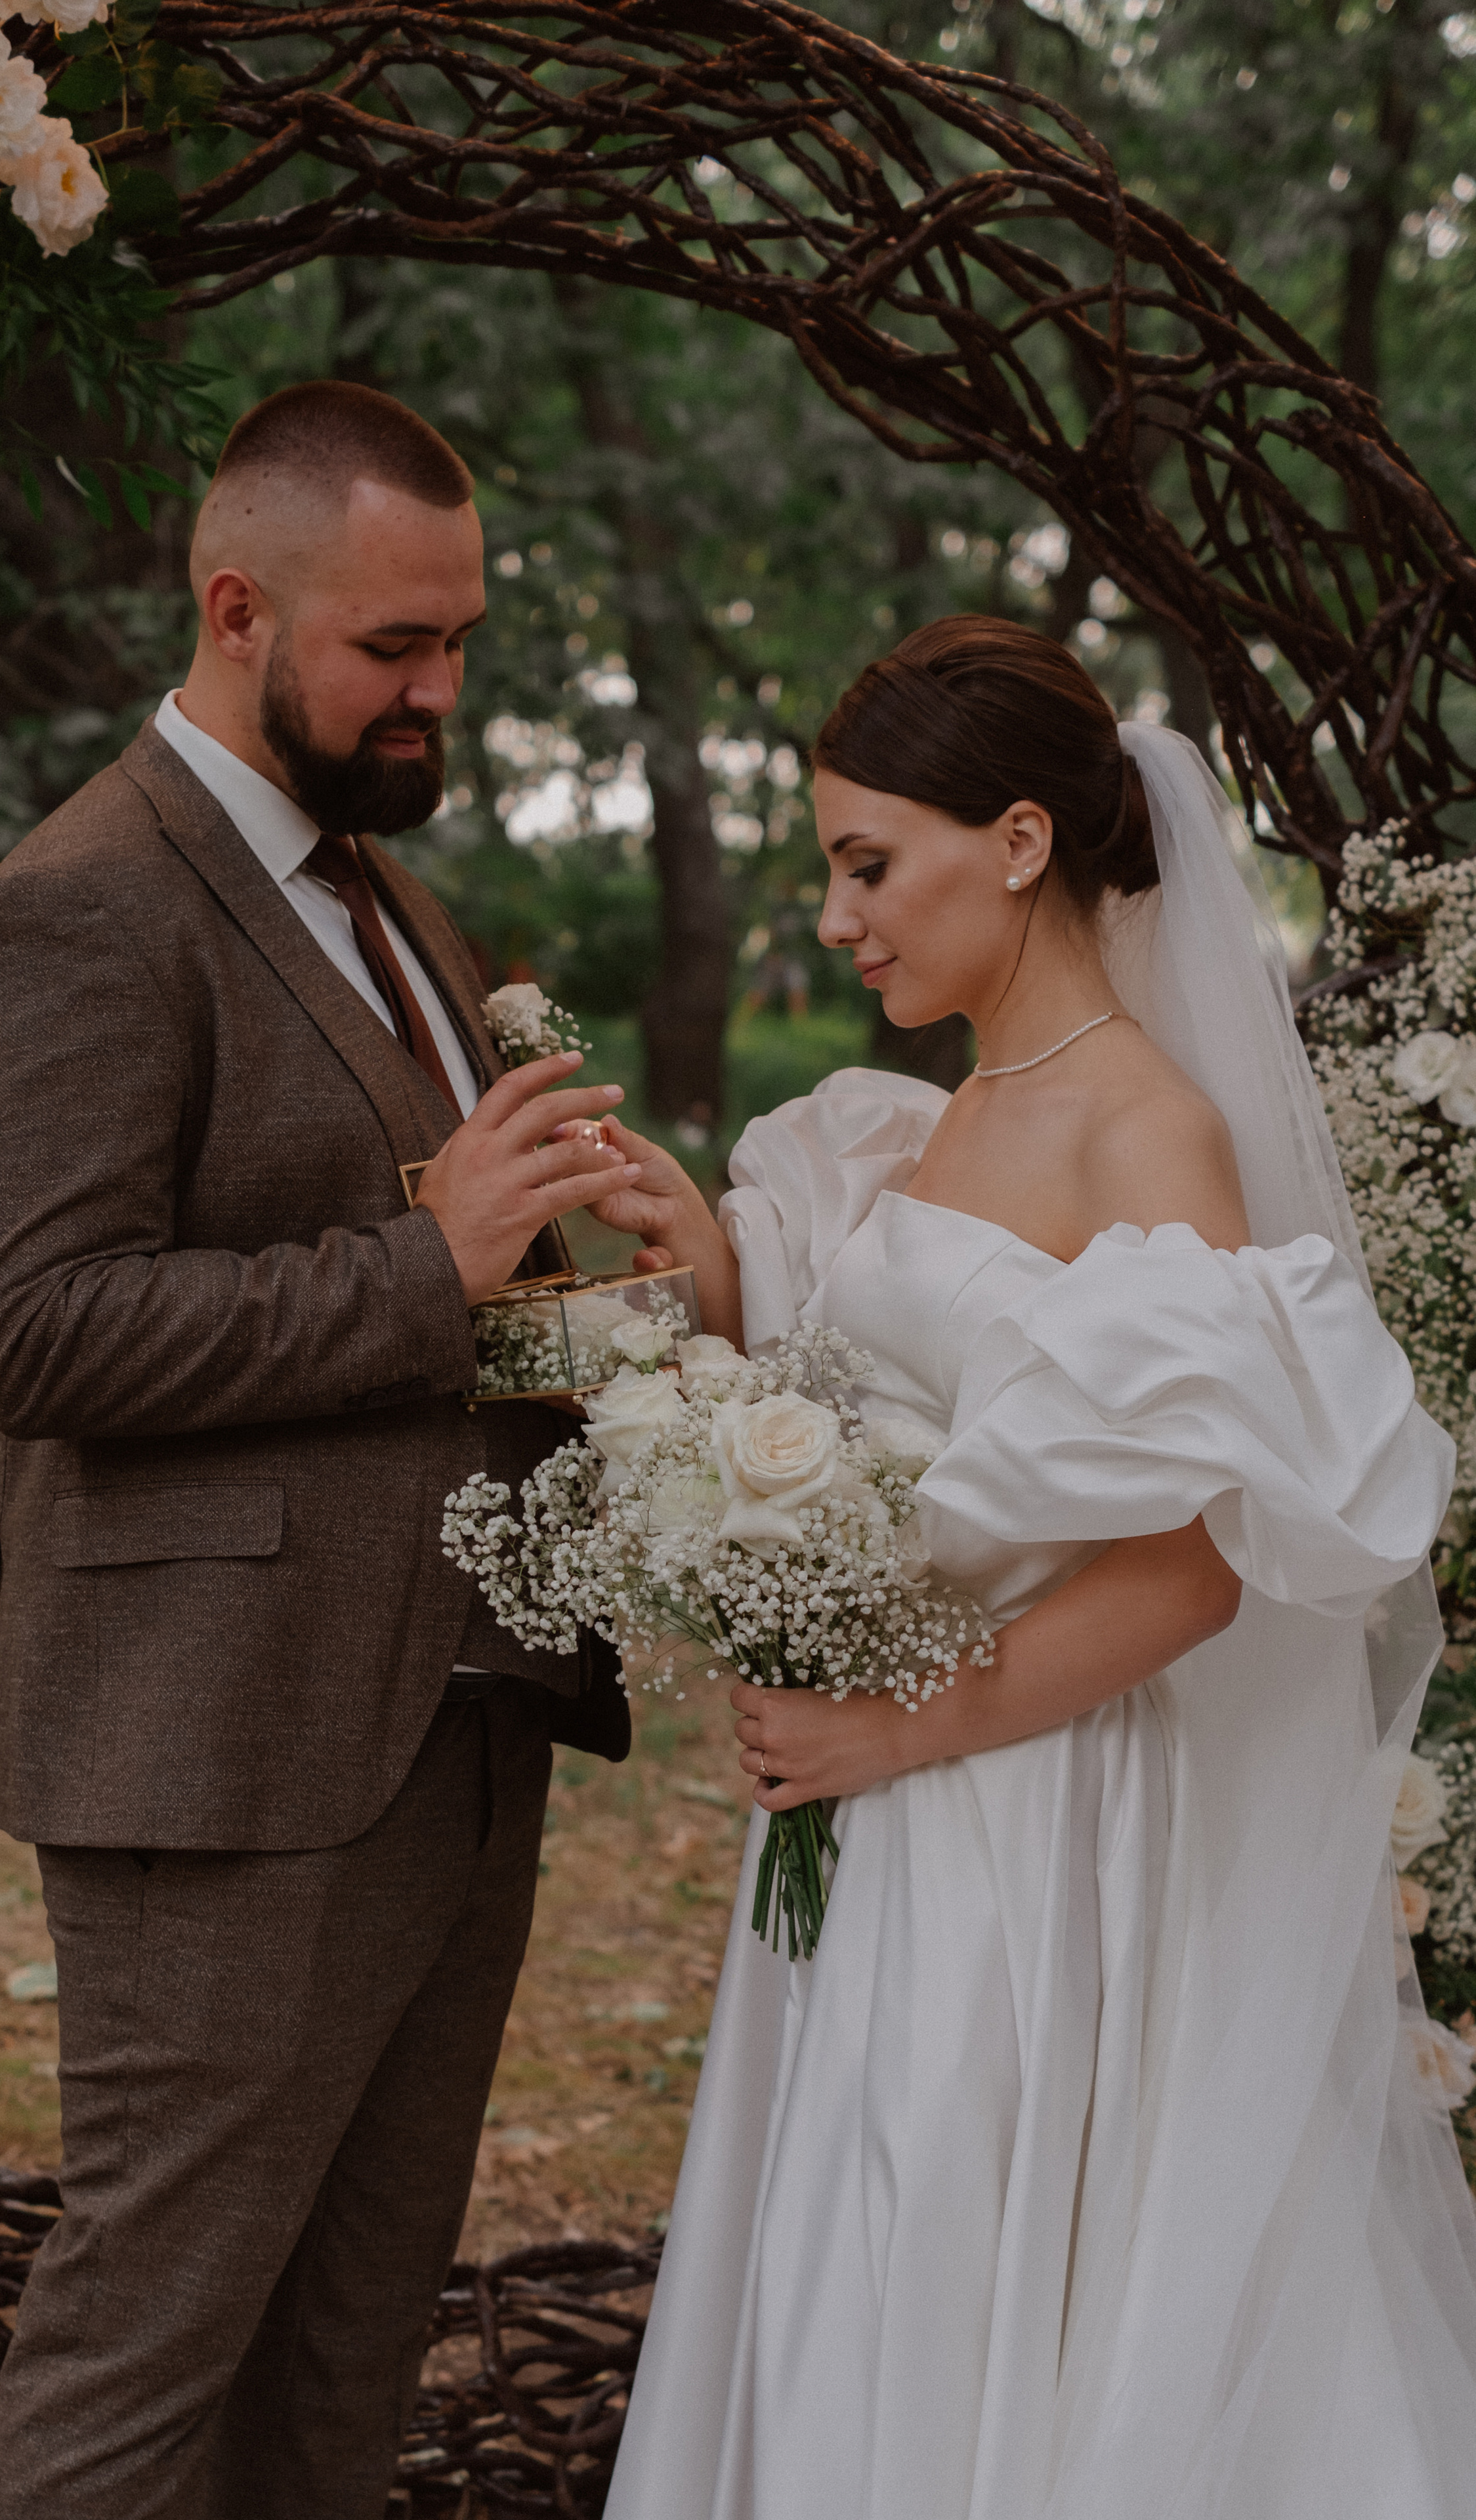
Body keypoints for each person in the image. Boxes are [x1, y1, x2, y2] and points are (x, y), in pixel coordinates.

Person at [586, 617, 1476, 2517]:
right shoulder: (953, 1113)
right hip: (877, 1795)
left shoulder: (1151, 1134)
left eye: (863, 863)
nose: (839, 921)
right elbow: (917, 1429)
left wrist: (897, 1736)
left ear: (1013, 840)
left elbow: (1188, 1580)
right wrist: (716, 1285)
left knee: (959, 2245)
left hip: (1015, 1814)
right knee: (843, 2250)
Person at [0, 380, 643, 2520]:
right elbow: (39, 1331)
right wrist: (431, 1269)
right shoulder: (84, 902)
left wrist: (629, 1332)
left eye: (462, 642)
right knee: (147, 2357)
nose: (439, 691)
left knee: (343, 2359)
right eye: (393, 648)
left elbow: (447, 1301)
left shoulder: (395, 903)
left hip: (458, 1723)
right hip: (217, 1754)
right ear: (240, 610)